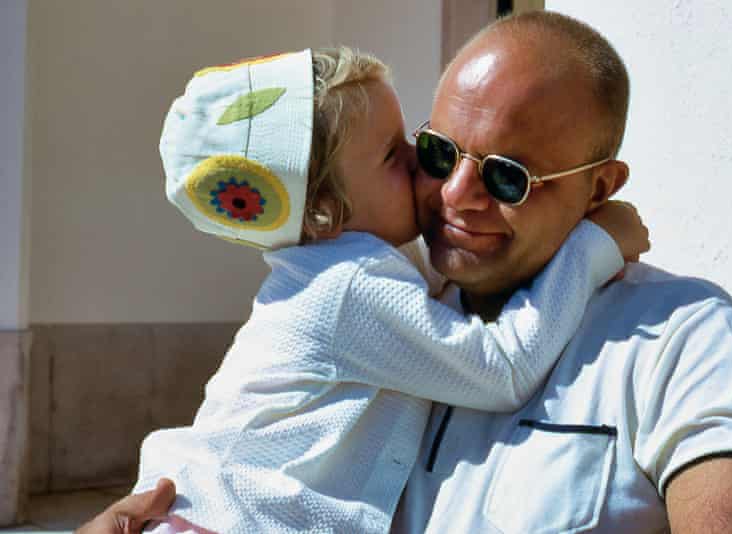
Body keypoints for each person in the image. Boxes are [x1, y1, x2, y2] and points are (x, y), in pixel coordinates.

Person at [78, 10, 732, 534]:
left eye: (510, 177)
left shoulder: (678, 335)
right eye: (430, 154)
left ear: (600, 189)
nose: (455, 194)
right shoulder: (374, 296)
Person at [126, 46, 648, 534]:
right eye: (393, 156)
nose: (422, 161)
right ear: (326, 210)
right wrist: (591, 245)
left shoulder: (342, 268)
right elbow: (502, 368)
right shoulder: (347, 287)